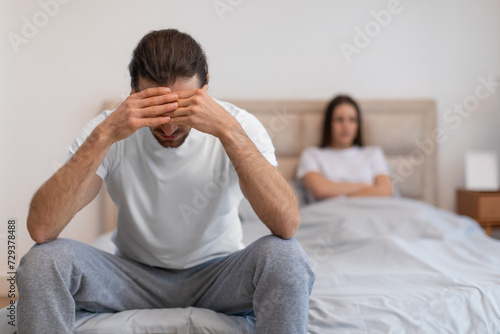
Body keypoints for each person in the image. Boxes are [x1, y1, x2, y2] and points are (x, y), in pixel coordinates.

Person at [17, 29, 315, 334]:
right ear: (133, 92)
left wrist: (229, 131)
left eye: (182, 108)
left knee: (286, 258)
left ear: (205, 88)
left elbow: (286, 224)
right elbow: (42, 227)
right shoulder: (108, 131)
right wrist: (105, 135)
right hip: (132, 278)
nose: (169, 127)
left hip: (219, 277)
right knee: (43, 261)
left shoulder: (239, 125)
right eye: (156, 108)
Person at [296, 95, 393, 202]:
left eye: (352, 120)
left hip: (373, 210)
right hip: (332, 214)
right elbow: (320, 189)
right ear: (329, 124)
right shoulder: (312, 154)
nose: (346, 126)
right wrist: (364, 186)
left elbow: (385, 190)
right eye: (339, 120)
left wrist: (344, 197)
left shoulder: (373, 153)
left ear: (358, 124)